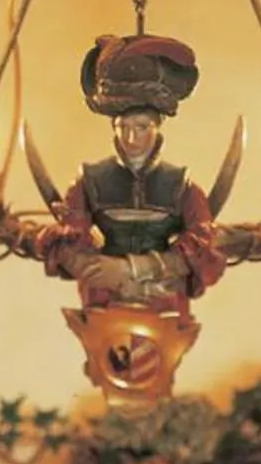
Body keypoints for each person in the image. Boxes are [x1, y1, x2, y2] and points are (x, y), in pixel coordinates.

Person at [28, 33, 229, 310]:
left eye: (142, 127)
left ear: (157, 128)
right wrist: (97, 270)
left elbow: (202, 247)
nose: (132, 139)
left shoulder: (182, 186)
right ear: (114, 128)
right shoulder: (90, 182)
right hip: (104, 304)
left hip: (165, 305)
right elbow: (68, 241)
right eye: (124, 128)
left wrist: (133, 269)